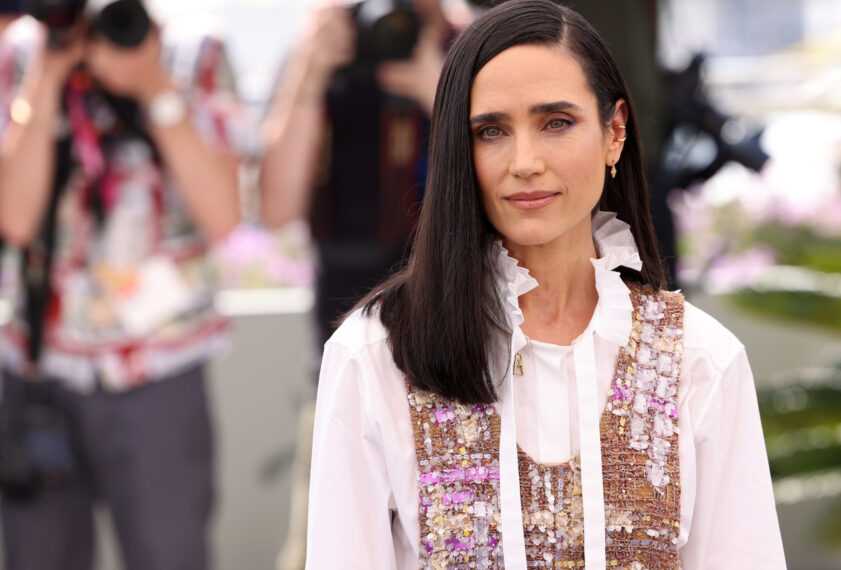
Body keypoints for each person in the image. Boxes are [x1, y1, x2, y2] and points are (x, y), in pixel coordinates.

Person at [305, 0, 787, 568]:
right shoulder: (376, 355)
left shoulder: (700, 360)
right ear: (460, 149)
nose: (525, 161)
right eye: (491, 131)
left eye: (556, 122)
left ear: (614, 133)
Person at [0, 5, 245, 569]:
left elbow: (224, 215)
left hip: (159, 371)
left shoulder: (194, 46)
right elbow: (14, 219)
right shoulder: (26, 48)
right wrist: (48, 75)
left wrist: (154, 85)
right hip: (41, 366)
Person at [258, 2, 469, 567]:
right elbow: (276, 208)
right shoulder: (325, 50)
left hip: (464, 370)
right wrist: (310, 76)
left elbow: (503, 201)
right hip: (341, 369)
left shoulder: (469, 46)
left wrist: (443, 93)